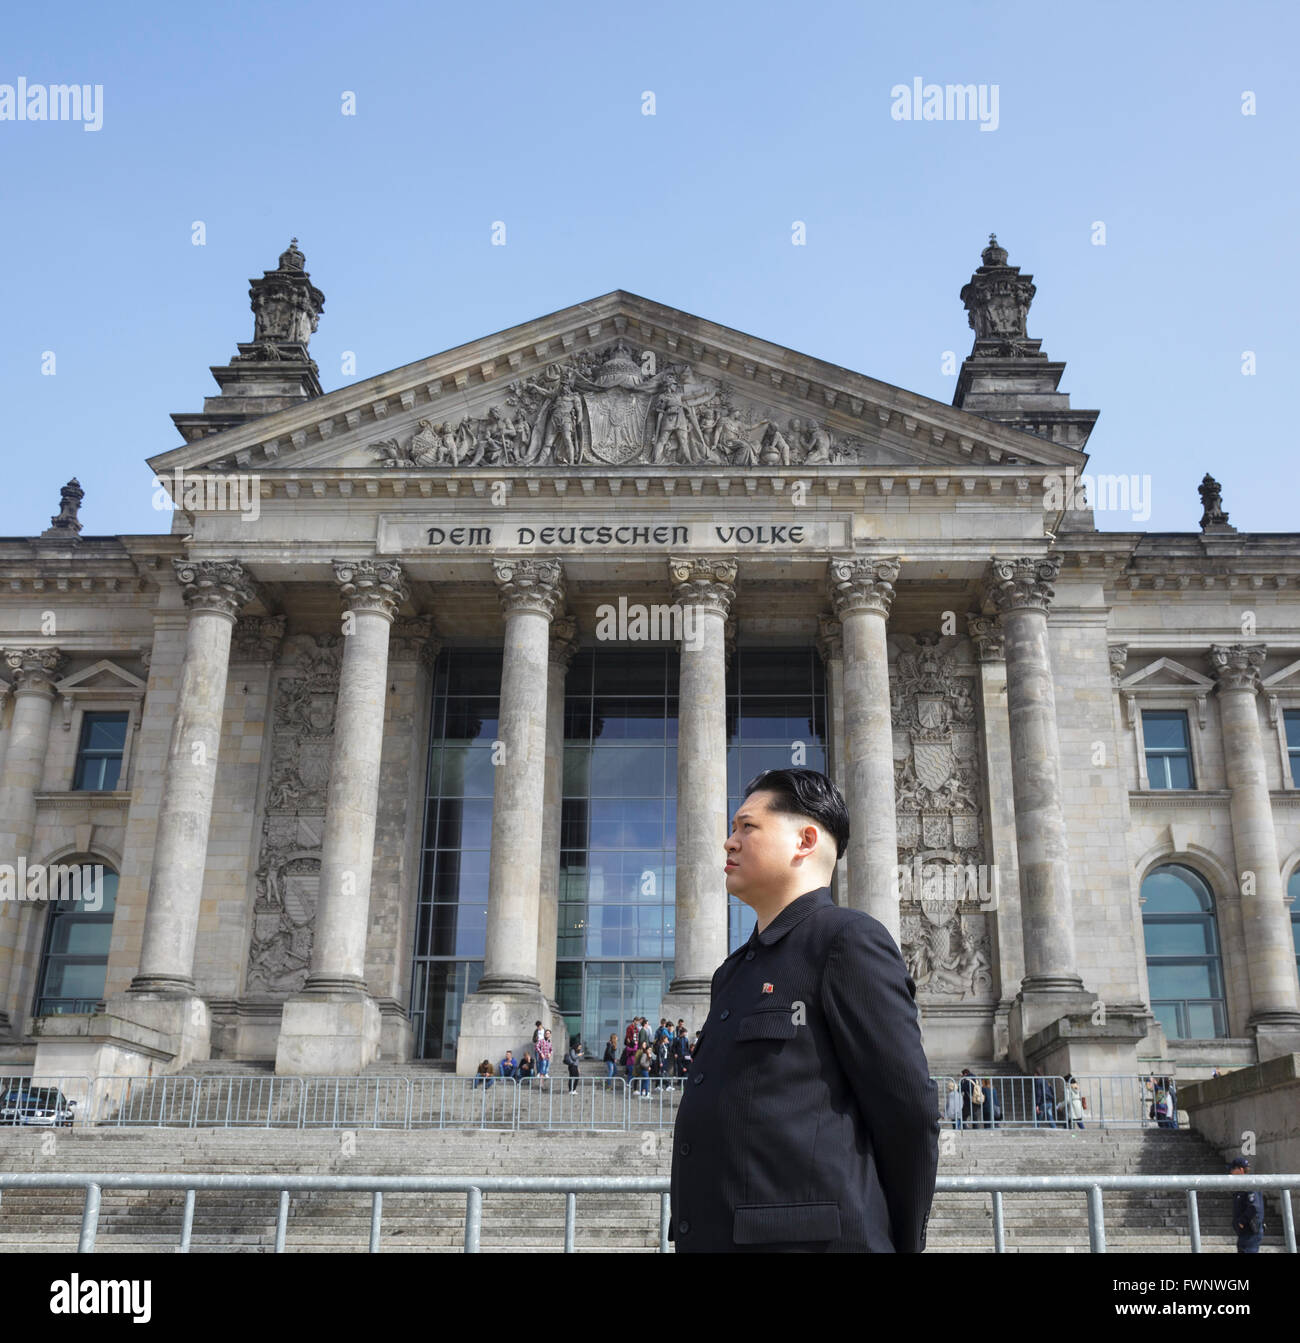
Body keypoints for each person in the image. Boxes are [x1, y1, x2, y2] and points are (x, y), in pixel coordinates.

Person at [669, 767, 938, 1252]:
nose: (729, 842)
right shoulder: (731, 973)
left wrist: (895, 1242)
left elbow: (909, 1111)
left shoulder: (847, 941)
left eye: (746, 827)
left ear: (805, 840)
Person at [1230, 1157, 1264, 1253]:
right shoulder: (1244, 1185)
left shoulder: (1250, 1184)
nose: (1231, 1172)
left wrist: (1241, 1222)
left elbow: (1254, 1207)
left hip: (1250, 1232)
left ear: (1240, 1170)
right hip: (1245, 1233)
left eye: (1233, 1169)